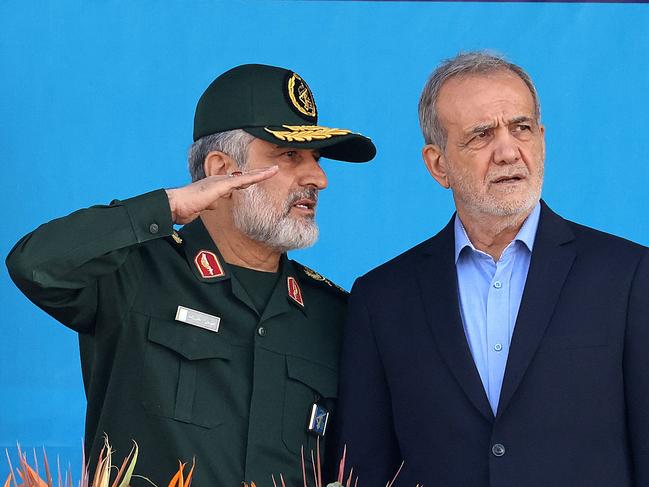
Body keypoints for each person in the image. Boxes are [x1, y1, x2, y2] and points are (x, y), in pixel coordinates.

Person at [6, 63, 375, 487]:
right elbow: (34, 264)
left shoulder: (332, 314)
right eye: (289, 155)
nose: (319, 178)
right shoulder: (134, 273)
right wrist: (166, 208)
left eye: (316, 159)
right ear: (221, 169)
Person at [332, 52, 649, 487]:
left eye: (521, 128)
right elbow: (361, 468)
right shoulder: (382, 298)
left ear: (541, 139)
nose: (507, 151)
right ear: (438, 164)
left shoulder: (629, 276)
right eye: (481, 135)